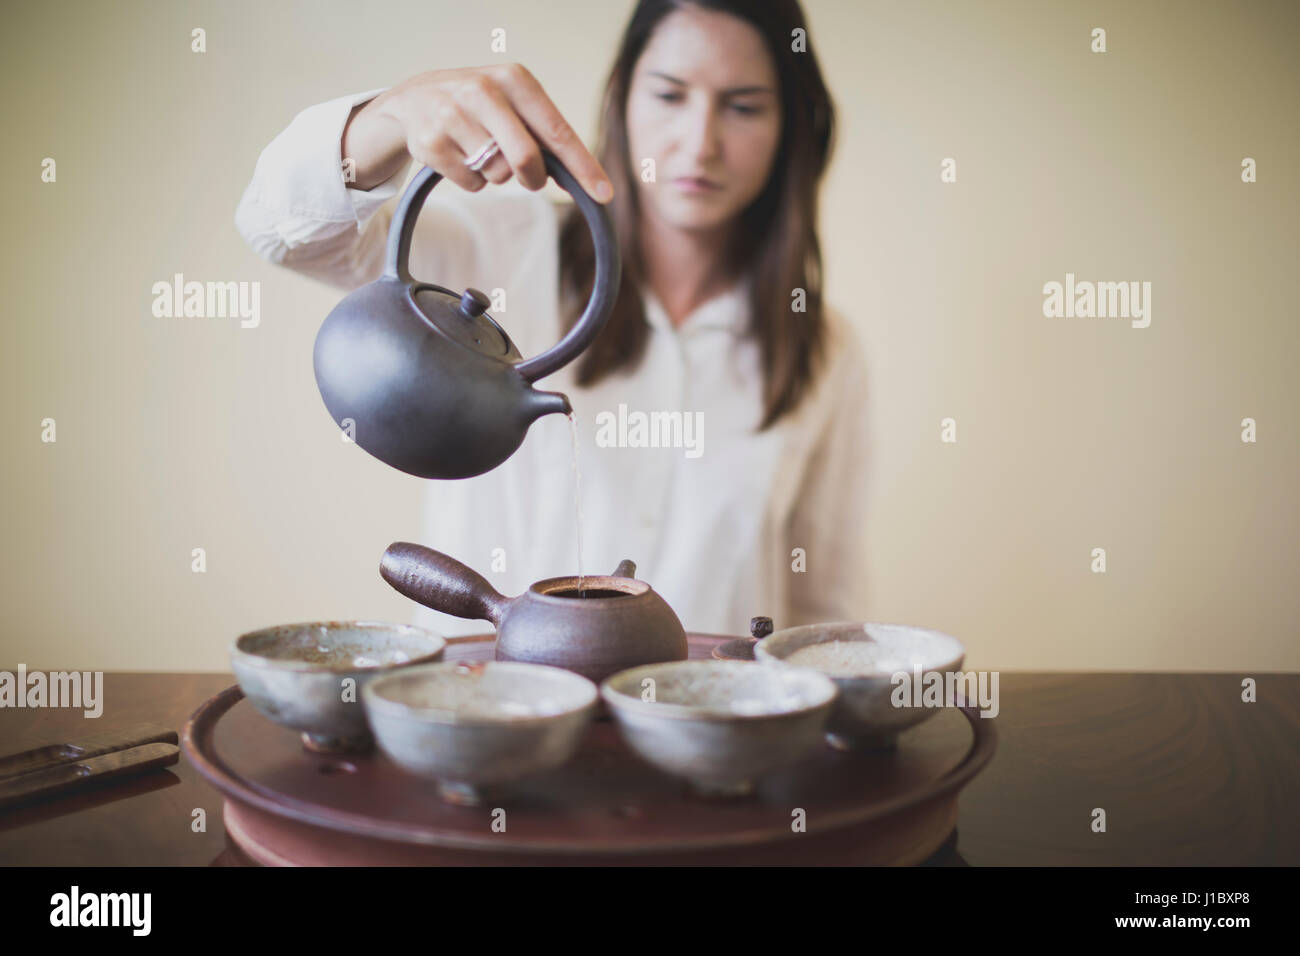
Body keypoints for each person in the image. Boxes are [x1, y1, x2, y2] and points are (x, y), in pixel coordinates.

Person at [235, 0, 871, 640]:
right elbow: (278, 231)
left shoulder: (824, 352)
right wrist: (390, 117)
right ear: (621, 97)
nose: (701, 143)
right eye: (670, 95)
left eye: (744, 106)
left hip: (713, 724)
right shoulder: (492, 250)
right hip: (481, 712)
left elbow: (822, 603)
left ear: (791, 126)